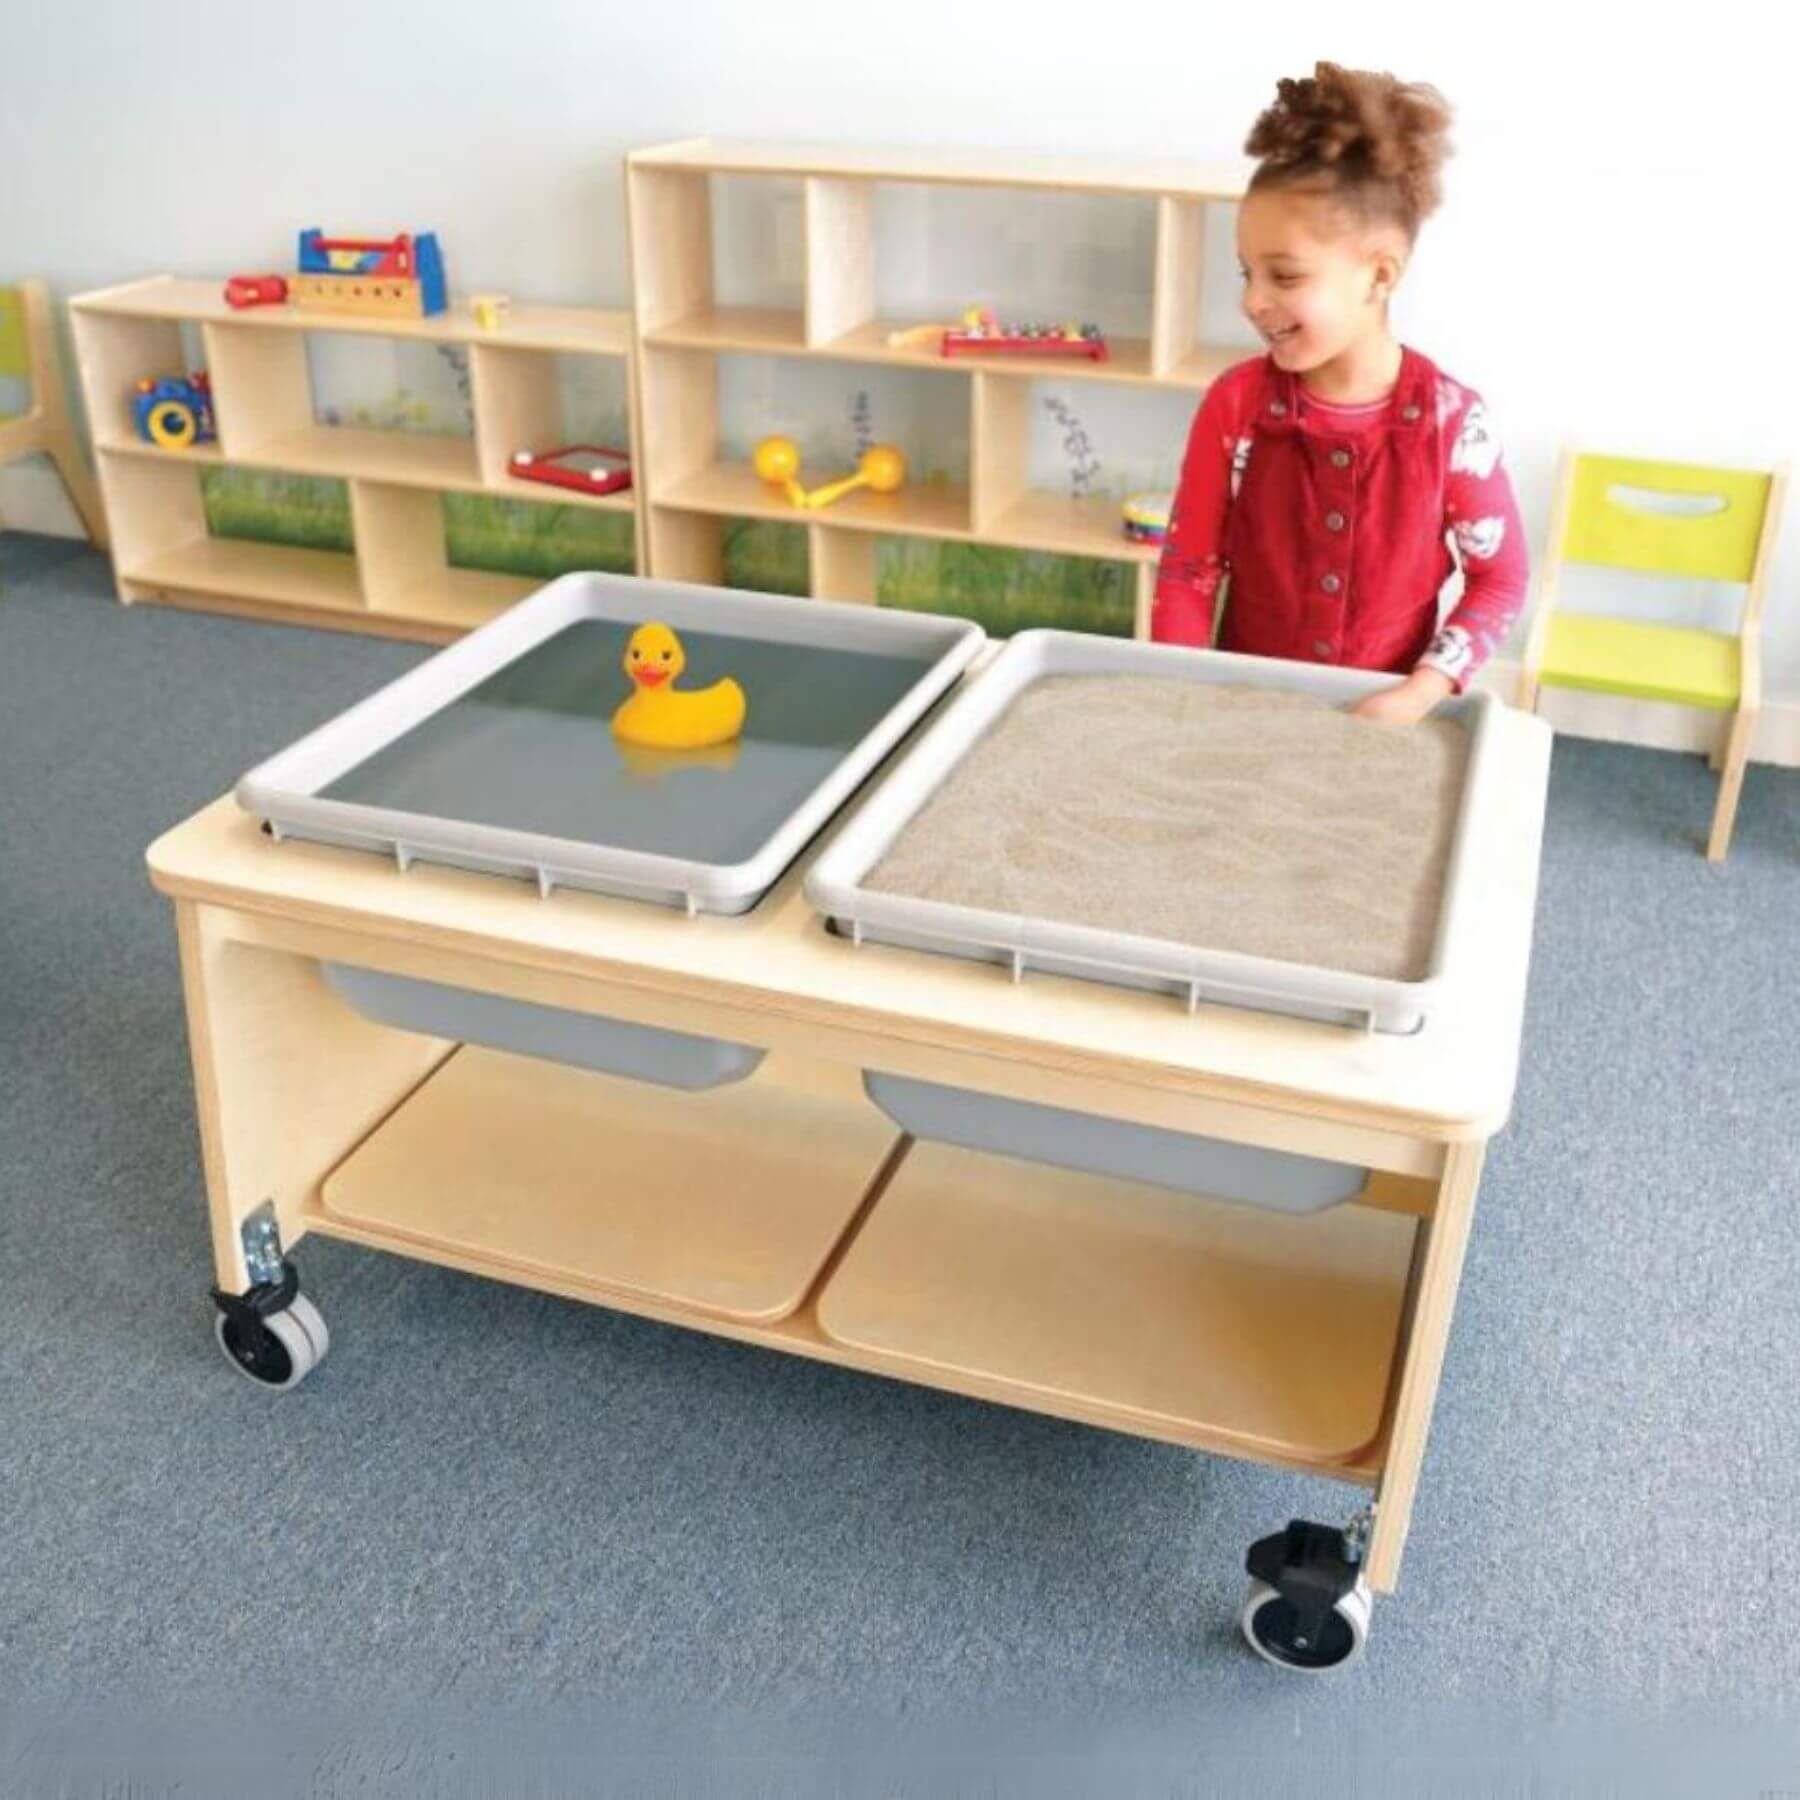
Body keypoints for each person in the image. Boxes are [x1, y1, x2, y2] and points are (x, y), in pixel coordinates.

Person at [1152, 61, 1529, 724]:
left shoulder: (1453, 424)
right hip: (1243, 714)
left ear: (1379, 275)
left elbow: (1500, 579)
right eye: (1247, 272)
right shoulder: (1233, 405)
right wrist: (1184, 695)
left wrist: (1421, 691)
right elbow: (1188, 569)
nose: (1252, 300)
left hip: (1382, 726)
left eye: (1285, 276)